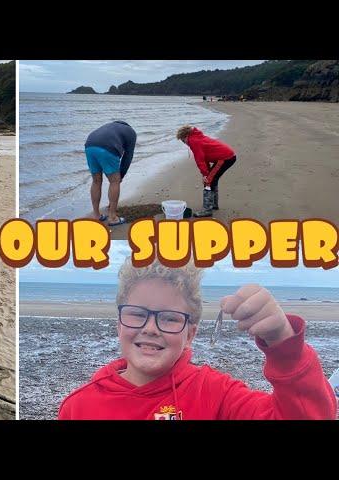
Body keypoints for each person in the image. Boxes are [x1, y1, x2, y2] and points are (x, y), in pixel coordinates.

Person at [58, 259, 336, 420]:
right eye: (137, 314)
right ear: (119, 324)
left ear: (190, 333)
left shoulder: (218, 395)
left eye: (169, 318)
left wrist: (284, 346)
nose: (151, 328)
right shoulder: (78, 406)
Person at [84, 121, 137, 226]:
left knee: (96, 181)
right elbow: (128, 156)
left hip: (89, 146)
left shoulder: (111, 126)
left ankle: (96, 215)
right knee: (114, 181)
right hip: (107, 148)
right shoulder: (131, 132)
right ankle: (112, 217)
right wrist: (121, 175)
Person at [176, 125, 236, 217]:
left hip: (225, 158)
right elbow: (205, 159)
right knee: (211, 179)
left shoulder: (194, 141)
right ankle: (213, 205)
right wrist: (206, 173)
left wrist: (205, 175)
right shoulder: (197, 137)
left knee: (208, 181)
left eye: (183, 141)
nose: (184, 143)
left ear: (186, 136)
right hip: (227, 157)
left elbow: (199, 159)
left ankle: (207, 210)